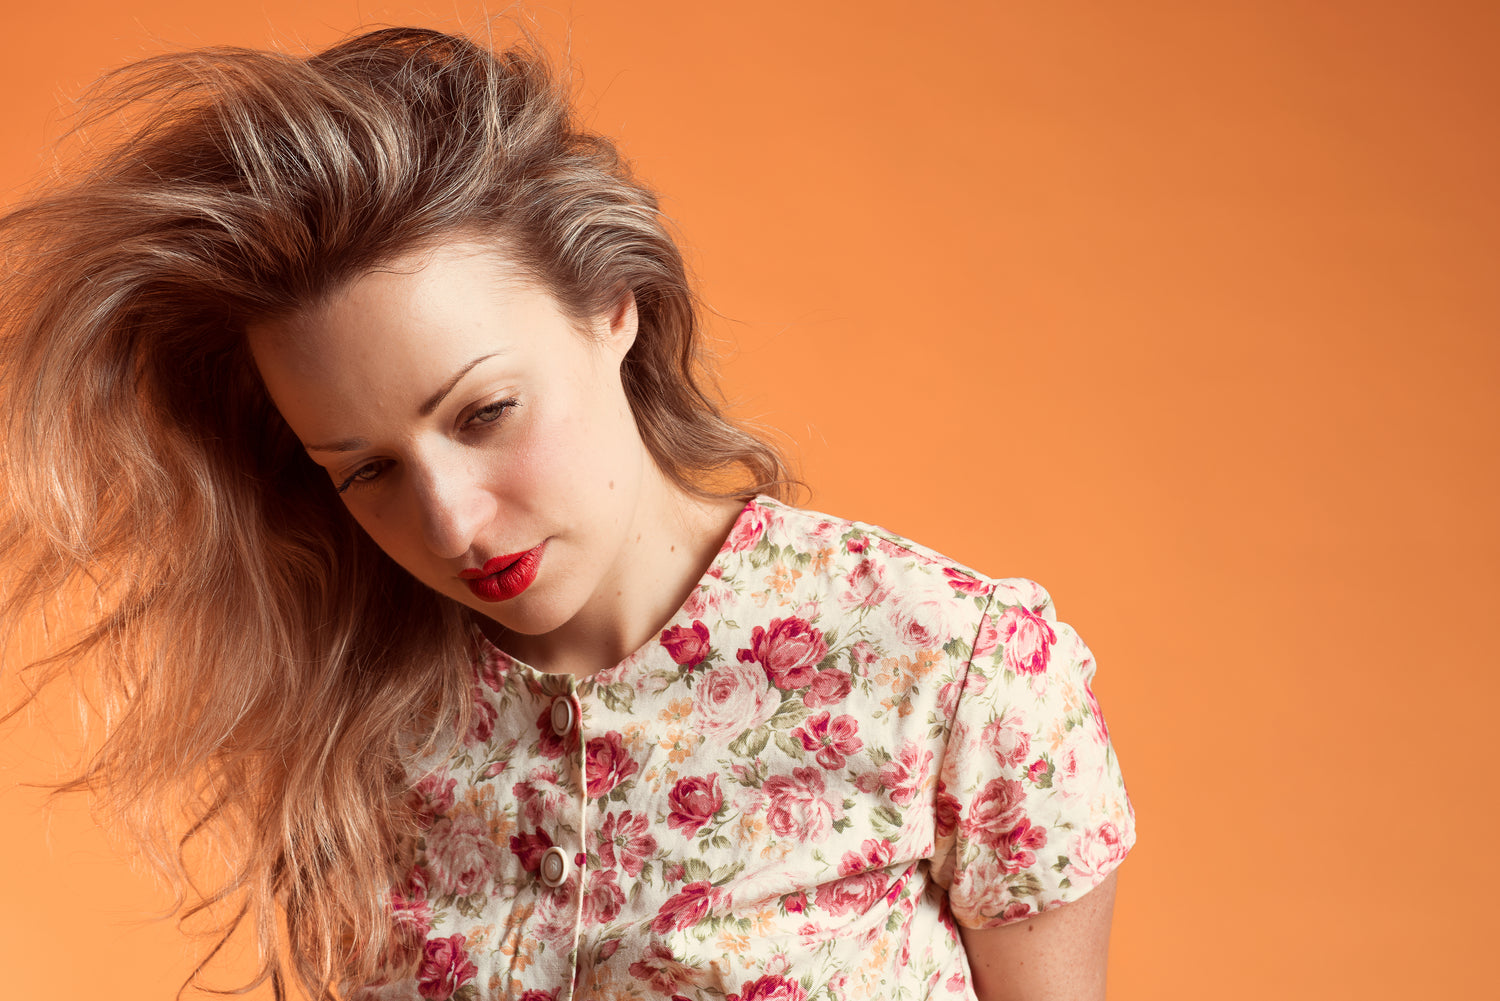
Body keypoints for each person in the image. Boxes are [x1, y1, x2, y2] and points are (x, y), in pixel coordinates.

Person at [0, 26, 1134, 1001]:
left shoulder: (951, 666)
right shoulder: (364, 722)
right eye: (366, 470)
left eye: (485, 411)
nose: (450, 524)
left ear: (612, 307)